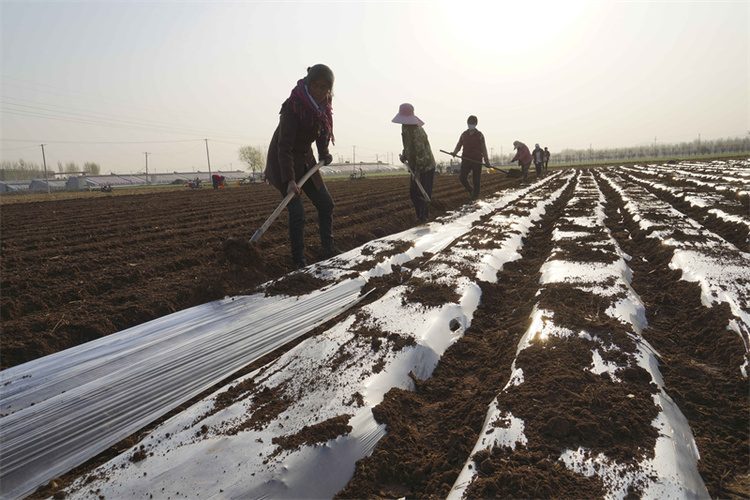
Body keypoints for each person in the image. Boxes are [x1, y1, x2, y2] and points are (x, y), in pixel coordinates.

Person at [264, 64, 339, 270]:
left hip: (306, 161)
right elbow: (284, 146)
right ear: (308, 84)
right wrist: (289, 181)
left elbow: (323, 129)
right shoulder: (293, 106)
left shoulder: (324, 103)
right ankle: (298, 260)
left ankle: (328, 247)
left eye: (324, 88)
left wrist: (323, 152)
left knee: (326, 204)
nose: (319, 92)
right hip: (283, 163)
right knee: (298, 213)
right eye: (315, 86)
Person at [392, 103, 435, 222]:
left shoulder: (417, 132)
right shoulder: (405, 129)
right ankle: (420, 217)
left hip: (425, 166)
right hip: (415, 166)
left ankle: (424, 218)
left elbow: (420, 153)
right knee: (413, 193)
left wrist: (417, 171)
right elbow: (408, 146)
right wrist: (404, 155)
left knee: (422, 194)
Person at [450, 115, 491, 200]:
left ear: (476, 124)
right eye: (469, 123)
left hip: (477, 160)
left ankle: (475, 197)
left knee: (476, 180)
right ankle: (470, 190)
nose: (470, 124)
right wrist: (454, 152)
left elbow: (484, 148)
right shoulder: (464, 134)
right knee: (462, 177)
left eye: (472, 123)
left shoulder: (479, 135)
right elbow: (459, 144)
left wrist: (487, 161)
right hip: (466, 159)